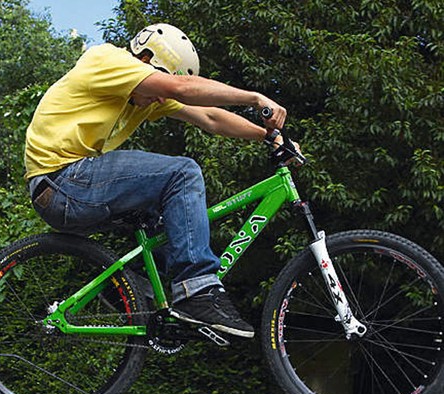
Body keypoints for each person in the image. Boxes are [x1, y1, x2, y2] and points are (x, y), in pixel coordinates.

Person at [25, 23, 287, 338]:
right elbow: (179, 89)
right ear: (146, 59)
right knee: (182, 173)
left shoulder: (142, 95)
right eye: (161, 84)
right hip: (62, 180)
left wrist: (270, 136)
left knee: (172, 221)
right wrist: (255, 97)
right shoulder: (107, 60)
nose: (160, 102)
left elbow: (210, 117)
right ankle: (197, 291)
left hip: (70, 190)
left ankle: (131, 286)